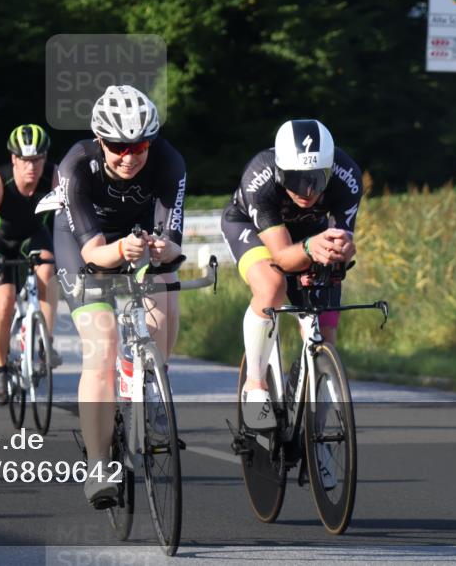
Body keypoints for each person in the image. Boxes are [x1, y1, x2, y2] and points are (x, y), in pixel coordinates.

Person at [53, 84, 186, 506]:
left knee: (165, 289)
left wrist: (165, 248)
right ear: (99, 141)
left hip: (137, 237)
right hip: (82, 244)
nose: (129, 157)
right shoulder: (76, 165)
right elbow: (93, 253)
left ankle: (146, 378)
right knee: (102, 344)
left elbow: (173, 240)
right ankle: (98, 464)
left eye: (140, 146)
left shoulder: (169, 162)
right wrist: (121, 250)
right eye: (117, 146)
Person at [220, 119, 361, 436]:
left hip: (310, 235)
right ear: (281, 171)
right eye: (296, 180)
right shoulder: (260, 175)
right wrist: (311, 249)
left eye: (316, 179)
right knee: (272, 286)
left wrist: (340, 254)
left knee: (325, 336)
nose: (307, 191)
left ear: (329, 169)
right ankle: (255, 387)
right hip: (251, 229)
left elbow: (343, 243)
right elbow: (283, 256)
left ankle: (318, 439)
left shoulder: (346, 175)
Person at [0, 124, 60, 405]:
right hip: (3, 242)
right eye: (25, 160)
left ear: (45, 158)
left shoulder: (55, 176)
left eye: (37, 159)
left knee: (48, 271)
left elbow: (68, 222)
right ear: (14, 159)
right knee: (5, 301)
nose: (31, 167)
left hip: (36, 235)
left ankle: (45, 344)